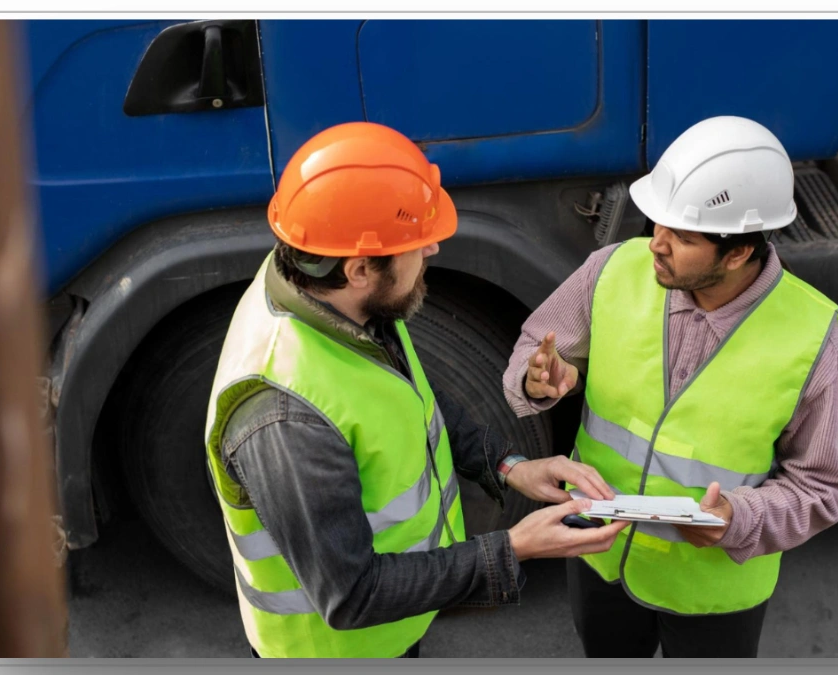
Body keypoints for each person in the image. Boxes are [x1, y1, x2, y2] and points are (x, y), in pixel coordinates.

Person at [203, 121, 626, 659]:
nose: (431, 249)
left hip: (395, 629)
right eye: (415, 244)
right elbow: (352, 596)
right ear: (359, 269)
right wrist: (513, 547)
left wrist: (510, 466)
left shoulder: (336, 296)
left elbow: (410, 400)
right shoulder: (285, 419)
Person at [502, 116, 838, 658]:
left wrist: (741, 519)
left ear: (738, 252)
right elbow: (536, 350)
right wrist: (540, 379)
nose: (656, 246)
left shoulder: (818, 345)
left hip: (711, 595)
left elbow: (822, 489)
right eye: (657, 224)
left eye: (683, 237)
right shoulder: (611, 270)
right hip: (601, 560)